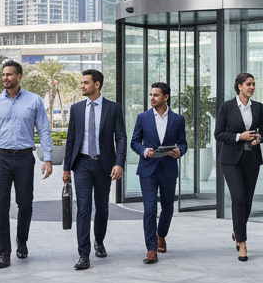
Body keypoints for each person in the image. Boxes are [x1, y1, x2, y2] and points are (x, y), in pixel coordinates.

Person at [0, 59, 54, 269]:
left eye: (10, 74)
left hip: (24, 158)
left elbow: (44, 130)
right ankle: (4, 252)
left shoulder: (35, 101)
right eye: (3, 74)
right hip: (0, 158)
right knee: (1, 206)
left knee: (25, 203)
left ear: (19, 77)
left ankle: (22, 240)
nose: (5, 78)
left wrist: (47, 158)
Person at [62, 68, 126, 270]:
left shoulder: (113, 108)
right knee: (83, 208)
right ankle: (84, 254)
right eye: (81, 83)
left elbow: (121, 137)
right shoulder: (76, 109)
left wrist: (119, 163)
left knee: (102, 206)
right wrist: (66, 168)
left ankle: (99, 240)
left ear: (97, 84)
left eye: (86, 83)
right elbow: (71, 139)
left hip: (104, 163)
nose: (82, 86)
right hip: (81, 164)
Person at [130, 81, 187, 264]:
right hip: (148, 169)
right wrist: (144, 151)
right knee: (149, 209)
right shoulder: (142, 117)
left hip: (169, 168)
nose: (152, 98)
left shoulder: (178, 119)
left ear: (166, 97)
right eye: (151, 95)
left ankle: (161, 235)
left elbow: (183, 143)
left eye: (155, 95)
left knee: (168, 207)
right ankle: (151, 249)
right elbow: (134, 142)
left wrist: (180, 152)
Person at [215, 72, 263, 262]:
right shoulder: (227, 107)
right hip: (231, 160)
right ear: (239, 86)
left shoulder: (259, 108)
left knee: (247, 200)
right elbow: (218, 134)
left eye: (253, 84)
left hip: (251, 159)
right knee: (238, 198)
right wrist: (239, 137)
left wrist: (259, 138)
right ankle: (243, 243)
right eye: (248, 84)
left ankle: (237, 230)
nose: (252, 87)